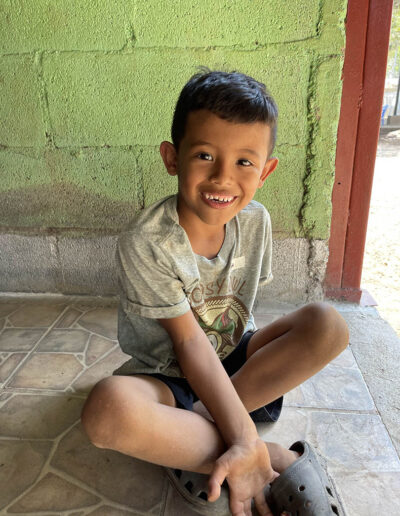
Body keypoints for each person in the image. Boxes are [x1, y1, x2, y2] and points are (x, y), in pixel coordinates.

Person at [81, 69, 349, 516]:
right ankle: (270, 455)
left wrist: (234, 399)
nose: (223, 177)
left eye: (244, 162)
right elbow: (188, 343)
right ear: (173, 157)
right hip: (166, 374)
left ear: (266, 171)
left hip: (228, 358)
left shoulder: (256, 221)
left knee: (329, 324)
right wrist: (248, 438)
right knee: (107, 412)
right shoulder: (147, 242)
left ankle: (192, 438)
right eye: (205, 155)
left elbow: (236, 319)